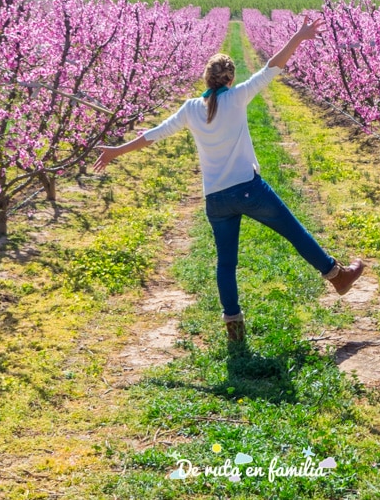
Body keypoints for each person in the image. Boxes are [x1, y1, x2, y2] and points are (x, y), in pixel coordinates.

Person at [93, 17, 364, 343]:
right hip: (249, 189)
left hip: (216, 199)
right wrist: (299, 36)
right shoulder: (236, 97)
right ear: (230, 78)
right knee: (294, 232)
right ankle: (337, 276)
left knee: (226, 263)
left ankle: (233, 324)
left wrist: (115, 152)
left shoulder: (190, 108)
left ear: (206, 78)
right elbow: (272, 67)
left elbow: (153, 134)